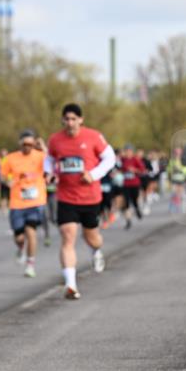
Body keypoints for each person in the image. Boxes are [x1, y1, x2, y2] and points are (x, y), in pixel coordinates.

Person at [47, 103, 116, 300]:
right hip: (66, 196)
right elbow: (49, 159)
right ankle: (71, 284)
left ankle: (96, 251)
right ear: (62, 120)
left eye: (73, 119)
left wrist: (93, 175)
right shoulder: (55, 140)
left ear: (80, 120)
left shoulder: (93, 136)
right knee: (68, 236)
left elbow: (110, 159)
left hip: (89, 197)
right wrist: (49, 173)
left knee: (91, 236)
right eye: (66, 119)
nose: (70, 123)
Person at [0, 130, 47, 278]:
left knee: (31, 232)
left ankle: (30, 265)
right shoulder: (11, 158)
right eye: (24, 144)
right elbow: (1, 175)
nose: (27, 146)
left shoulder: (40, 156)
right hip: (17, 202)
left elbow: (52, 161)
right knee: (19, 237)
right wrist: (7, 181)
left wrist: (43, 146)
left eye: (30, 144)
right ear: (20, 143)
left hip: (35, 201)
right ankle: (21, 248)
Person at [119, 145, 146, 230]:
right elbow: (120, 169)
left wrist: (134, 170)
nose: (127, 152)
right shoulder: (122, 160)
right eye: (126, 151)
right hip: (126, 184)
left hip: (135, 184)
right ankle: (128, 221)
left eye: (129, 151)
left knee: (134, 201)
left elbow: (142, 170)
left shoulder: (135, 159)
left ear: (132, 152)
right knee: (126, 203)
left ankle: (137, 209)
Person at [167, 146, 186, 214]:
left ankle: (182, 206)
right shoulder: (172, 161)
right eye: (176, 153)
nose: (177, 154)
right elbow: (168, 170)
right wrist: (172, 170)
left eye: (179, 153)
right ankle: (172, 207)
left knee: (181, 194)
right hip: (174, 179)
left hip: (182, 179)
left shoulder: (183, 160)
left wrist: (181, 170)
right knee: (174, 193)